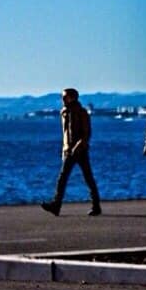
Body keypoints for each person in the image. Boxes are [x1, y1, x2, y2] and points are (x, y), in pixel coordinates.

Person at [40, 87, 101, 216]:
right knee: (62, 178)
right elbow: (65, 134)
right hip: (68, 151)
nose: (62, 99)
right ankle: (56, 205)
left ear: (73, 97)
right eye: (62, 97)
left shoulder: (81, 112)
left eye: (65, 96)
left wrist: (77, 147)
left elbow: (86, 134)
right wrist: (65, 149)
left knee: (87, 178)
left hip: (80, 151)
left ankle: (96, 206)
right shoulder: (64, 113)